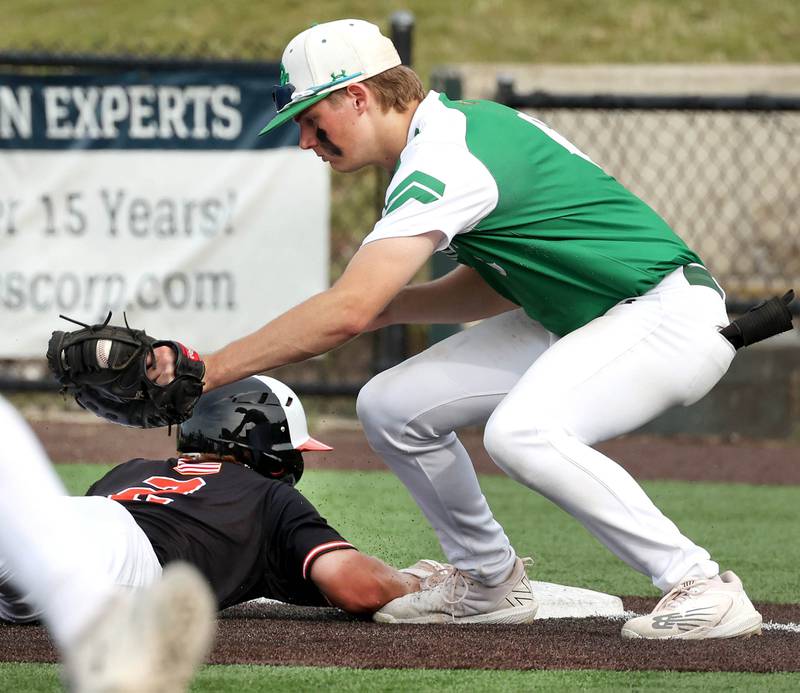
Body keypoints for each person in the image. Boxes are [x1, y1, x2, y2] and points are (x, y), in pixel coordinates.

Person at [146, 19, 762, 637]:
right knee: (391, 405)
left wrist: (205, 370)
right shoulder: (451, 134)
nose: (306, 139)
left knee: (524, 433)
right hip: (586, 315)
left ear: (358, 96)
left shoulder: (444, 154)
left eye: (312, 118)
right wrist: (386, 307)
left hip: (664, 312)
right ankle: (489, 579)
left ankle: (701, 582)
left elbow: (347, 311)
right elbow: (501, 278)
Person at [0, 376, 424, 625]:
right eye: (289, 450)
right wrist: (418, 583)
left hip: (71, 521)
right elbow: (355, 585)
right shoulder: (268, 495)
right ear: (259, 443)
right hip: (114, 562)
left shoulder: (131, 469)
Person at [0, 393, 215, 693]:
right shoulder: (263, 494)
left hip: (99, 542)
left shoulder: (132, 470)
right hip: (112, 552)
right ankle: (99, 639)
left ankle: (98, 637)